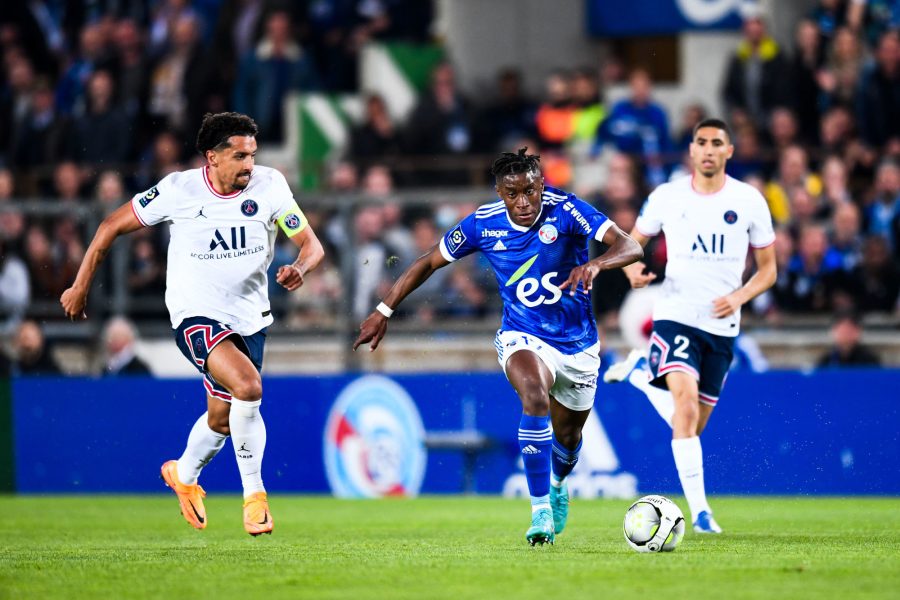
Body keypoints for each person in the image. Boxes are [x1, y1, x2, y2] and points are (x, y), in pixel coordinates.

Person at [354, 148, 643, 545]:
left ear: (542, 183)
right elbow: (427, 261)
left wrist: (596, 264)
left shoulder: (568, 209)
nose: (522, 202)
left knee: (570, 439)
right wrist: (384, 309)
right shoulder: (482, 223)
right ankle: (539, 510)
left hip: (577, 343)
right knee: (534, 396)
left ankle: (558, 483)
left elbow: (630, 246)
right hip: (522, 335)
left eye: (529, 190)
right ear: (499, 191)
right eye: (512, 193)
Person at [60, 112, 325, 536]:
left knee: (222, 419)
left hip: (250, 318)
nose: (248, 165)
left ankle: (183, 475)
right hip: (195, 315)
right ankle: (255, 499)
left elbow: (311, 246)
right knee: (249, 387)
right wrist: (80, 285)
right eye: (239, 156)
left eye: (252, 155)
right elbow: (110, 226)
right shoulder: (178, 191)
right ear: (212, 157)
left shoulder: (271, 186)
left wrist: (301, 268)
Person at [603, 118, 777, 534]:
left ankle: (642, 374)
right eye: (701, 142)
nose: (709, 149)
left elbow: (768, 270)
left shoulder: (750, 200)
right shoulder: (667, 196)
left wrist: (738, 297)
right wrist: (630, 273)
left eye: (718, 142)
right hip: (676, 315)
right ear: (692, 150)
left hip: (722, 326)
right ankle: (701, 514)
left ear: (729, 151)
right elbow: (631, 242)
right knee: (682, 410)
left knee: (691, 427)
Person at [815, 310, 881, 367]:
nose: (846, 334)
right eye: (842, 330)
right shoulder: (826, 361)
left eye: (849, 330)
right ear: (834, 331)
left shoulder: (869, 360)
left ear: (858, 331)